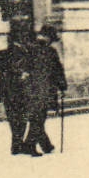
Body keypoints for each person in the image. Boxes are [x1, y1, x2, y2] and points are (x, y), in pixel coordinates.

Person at [21, 24, 68, 157]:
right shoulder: (50, 51)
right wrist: (63, 86)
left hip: (30, 89)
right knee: (39, 118)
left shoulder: (28, 49)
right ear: (49, 38)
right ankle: (29, 145)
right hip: (44, 89)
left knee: (37, 117)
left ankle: (46, 145)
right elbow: (58, 70)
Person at [0, 25, 33, 154]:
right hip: (21, 89)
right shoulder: (25, 53)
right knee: (22, 117)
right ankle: (17, 144)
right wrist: (21, 74)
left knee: (13, 118)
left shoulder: (2, 53)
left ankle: (16, 144)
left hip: (6, 91)